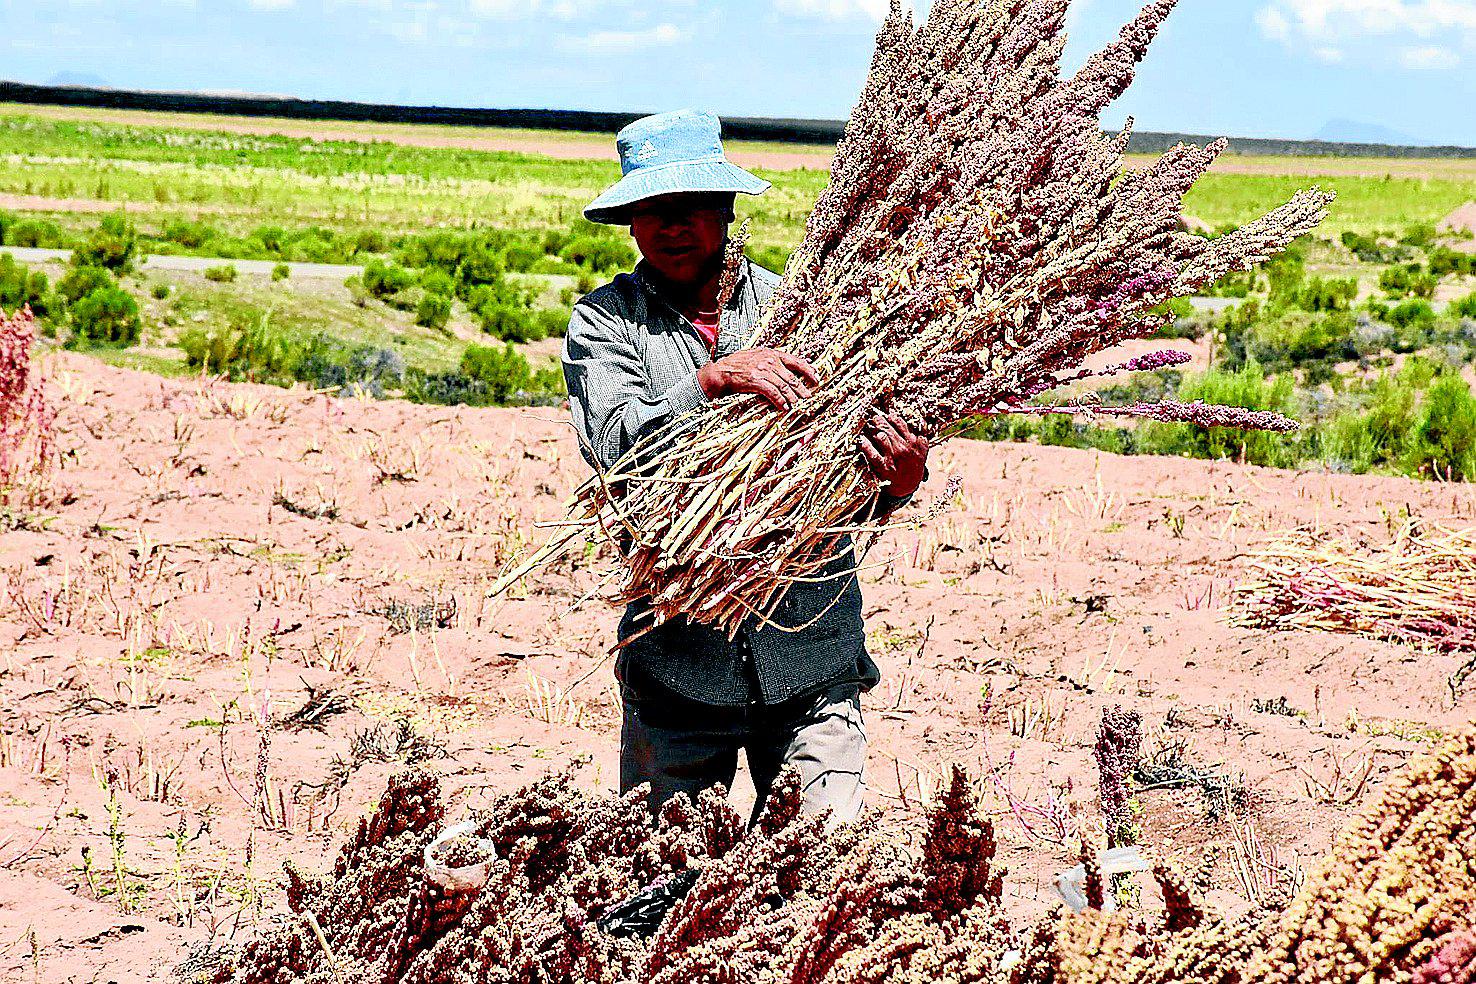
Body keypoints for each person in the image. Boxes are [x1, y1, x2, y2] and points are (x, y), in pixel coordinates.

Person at [562, 109, 929, 825]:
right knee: (660, 884)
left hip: (810, 655)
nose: (672, 228)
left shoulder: (808, 311)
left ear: (726, 211)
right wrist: (710, 383)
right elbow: (616, 454)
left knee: (824, 870)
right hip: (678, 662)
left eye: (690, 209)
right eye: (652, 212)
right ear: (630, 225)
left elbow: (838, 482)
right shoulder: (605, 322)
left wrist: (898, 484)